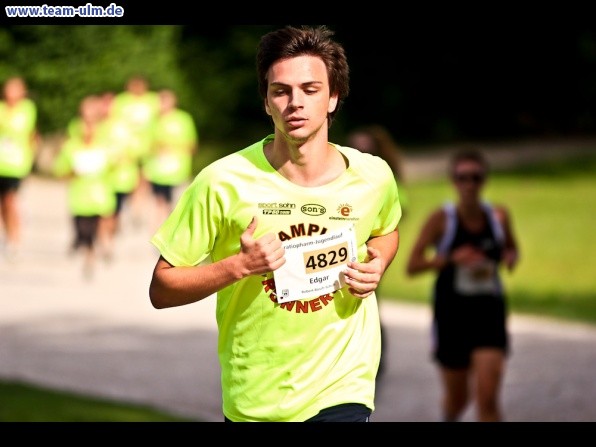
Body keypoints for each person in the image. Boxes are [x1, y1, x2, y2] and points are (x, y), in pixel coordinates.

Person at [149, 25, 402, 422]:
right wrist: (239, 267)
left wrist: (378, 263)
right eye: (280, 91)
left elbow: (385, 229)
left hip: (343, 386)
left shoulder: (372, 176)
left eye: (310, 89)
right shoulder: (222, 182)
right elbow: (162, 289)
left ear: (333, 97)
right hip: (257, 398)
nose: (294, 103)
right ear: (266, 102)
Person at [406, 147, 519, 422]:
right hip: (452, 317)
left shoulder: (498, 217)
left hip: (488, 313)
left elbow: (512, 250)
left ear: (484, 180)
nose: (469, 184)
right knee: (459, 399)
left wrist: (508, 257)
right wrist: (449, 260)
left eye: (476, 177)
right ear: (453, 181)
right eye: (462, 178)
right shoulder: (442, 219)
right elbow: (413, 265)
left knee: (488, 399)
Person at [346, 124, 408, 377]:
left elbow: (398, 212)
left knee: (370, 302)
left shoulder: (383, 178)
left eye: (364, 149)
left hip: (369, 253)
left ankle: (376, 360)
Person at [53, 95, 117, 279]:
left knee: (103, 222)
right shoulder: (72, 142)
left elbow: (116, 161)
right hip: (80, 196)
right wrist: (74, 171)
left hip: (101, 193)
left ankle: (102, 246)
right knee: (84, 231)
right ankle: (87, 252)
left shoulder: (106, 139)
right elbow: (61, 170)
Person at [142, 89, 198, 233]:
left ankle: (176, 231)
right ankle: (160, 232)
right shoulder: (153, 121)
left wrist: (174, 148)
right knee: (159, 203)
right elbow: (147, 146)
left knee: (178, 204)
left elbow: (192, 145)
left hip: (179, 171)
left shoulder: (184, 119)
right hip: (158, 171)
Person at [0, 76, 38, 261]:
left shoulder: (27, 109)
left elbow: (26, 132)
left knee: (11, 201)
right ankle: (7, 234)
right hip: (1, 162)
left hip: (16, 164)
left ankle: (15, 237)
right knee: (2, 205)